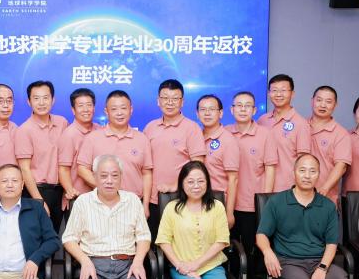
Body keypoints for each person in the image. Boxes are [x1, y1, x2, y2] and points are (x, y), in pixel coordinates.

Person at [255, 153, 354, 279]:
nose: (307, 176)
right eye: (302, 170)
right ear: (294, 172)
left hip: (319, 261)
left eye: (312, 171)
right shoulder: (276, 202)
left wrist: (322, 268)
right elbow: (261, 234)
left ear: (318, 174)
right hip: (288, 262)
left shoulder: (328, 206)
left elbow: (331, 244)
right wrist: (268, 252)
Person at [63, 154, 153, 279]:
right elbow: (69, 239)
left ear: (121, 177)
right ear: (95, 177)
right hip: (93, 264)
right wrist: (84, 261)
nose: (109, 181)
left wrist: (138, 262)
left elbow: (143, 236)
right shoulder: (83, 202)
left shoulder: (133, 200)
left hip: (126, 266)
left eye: (114, 175)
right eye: (104, 176)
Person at [156, 161, 235, 279]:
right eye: (190, 182)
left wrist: (196, 264)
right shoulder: (171, 208)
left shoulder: (217, 207)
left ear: (207, 183)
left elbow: (222, 240)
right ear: (182, 184)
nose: (196, 186)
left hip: (211, 265)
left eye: (201, 181)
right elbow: (163, 241)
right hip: (182, 266)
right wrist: (181, 266)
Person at [144, 79, 206, 240]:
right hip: (153, 199)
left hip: (182, 198)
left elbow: (198, 165)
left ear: (182, 102)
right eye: (165, 98)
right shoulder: (150, 127)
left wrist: (174, 186)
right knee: (155, 243)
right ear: (158, 101)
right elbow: (145, 166)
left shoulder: (191, 128)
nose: (169, 102)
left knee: (181, 243)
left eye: (175, 98)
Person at [77, 90, 153, 218]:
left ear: (131, 110)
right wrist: (105, 187)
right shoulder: (93, 138)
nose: (119, 113)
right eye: (114, 109)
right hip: (100, 205)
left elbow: (147, 174)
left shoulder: (142, 139)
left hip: (134, 204)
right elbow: (82, 169)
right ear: (106, 111)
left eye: (123, 108)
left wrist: (145, 205)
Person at [227, 91, 277, 259]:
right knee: (229, 249)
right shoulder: (225, 133)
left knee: (252, 250)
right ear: (232, 110)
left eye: (247, 106)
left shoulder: (265, 134)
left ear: (254, 110)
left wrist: (266, 202)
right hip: (228, 203)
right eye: (239, 105)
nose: (243, 109)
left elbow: (270, 169)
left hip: (252, 204)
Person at [14, 80, 69, 233]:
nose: (41, 103)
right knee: (37, 238)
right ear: (29, 101)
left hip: (59, 191)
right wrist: (39, 201)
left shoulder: (62, 123)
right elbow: (24, 169)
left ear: (53, 100)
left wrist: (66, 190)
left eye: (45, 98)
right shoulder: (24, 130)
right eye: (36, 98)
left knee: (54, 237)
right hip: (36, 190)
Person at [258, 74, 312, 192]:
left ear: (292, 93)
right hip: (263, 188)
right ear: (269, 93)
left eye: (283, 90)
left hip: (288, 189)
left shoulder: (301, 124)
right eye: (274, 90)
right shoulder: (262, 120)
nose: (278, 94)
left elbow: (303, 161)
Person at [196, 94, 239, 228]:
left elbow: (233, 179)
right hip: (196, 201)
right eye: (203, 109)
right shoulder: (195, 136)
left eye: (212, 109)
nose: (207, 113)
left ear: (220, 113)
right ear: (197, 114)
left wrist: (229, 213)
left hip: (218, 202)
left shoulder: (228, 140)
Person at [58, 88, 100, 214]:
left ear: (94, 107)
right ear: (73, 110)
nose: (86, 109)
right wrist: (70, 190)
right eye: (81, 106)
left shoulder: (100, 130)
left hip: (100, 198)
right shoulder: (69, 135)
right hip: (78, 199)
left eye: (89, 105)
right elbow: (63, 169)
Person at [308, 85, 352, 205]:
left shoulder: (341, 133)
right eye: (319, 100)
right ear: (312, 101)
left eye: (328, 102)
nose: (323, 105)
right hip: (297, 195)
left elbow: (341, 166)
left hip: (325, 197)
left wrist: (324, 189)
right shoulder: (301, 126)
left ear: (335, 105)